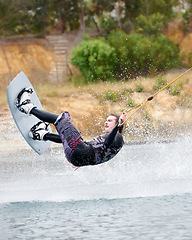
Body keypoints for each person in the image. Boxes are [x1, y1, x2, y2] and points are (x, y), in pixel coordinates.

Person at [15, 88, 127, 167]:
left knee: (63, 119)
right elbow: (97, 158)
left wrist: (120, 122)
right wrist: (80, 161)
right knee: (69, 137)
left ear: (118, 125)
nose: (106, 123)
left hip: (79, 151)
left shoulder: (118, 137)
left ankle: (26, 106)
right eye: (106, 120)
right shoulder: (112, 145)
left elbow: (108, 140)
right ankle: (40, 134)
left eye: (110, 121)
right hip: (74, 158)